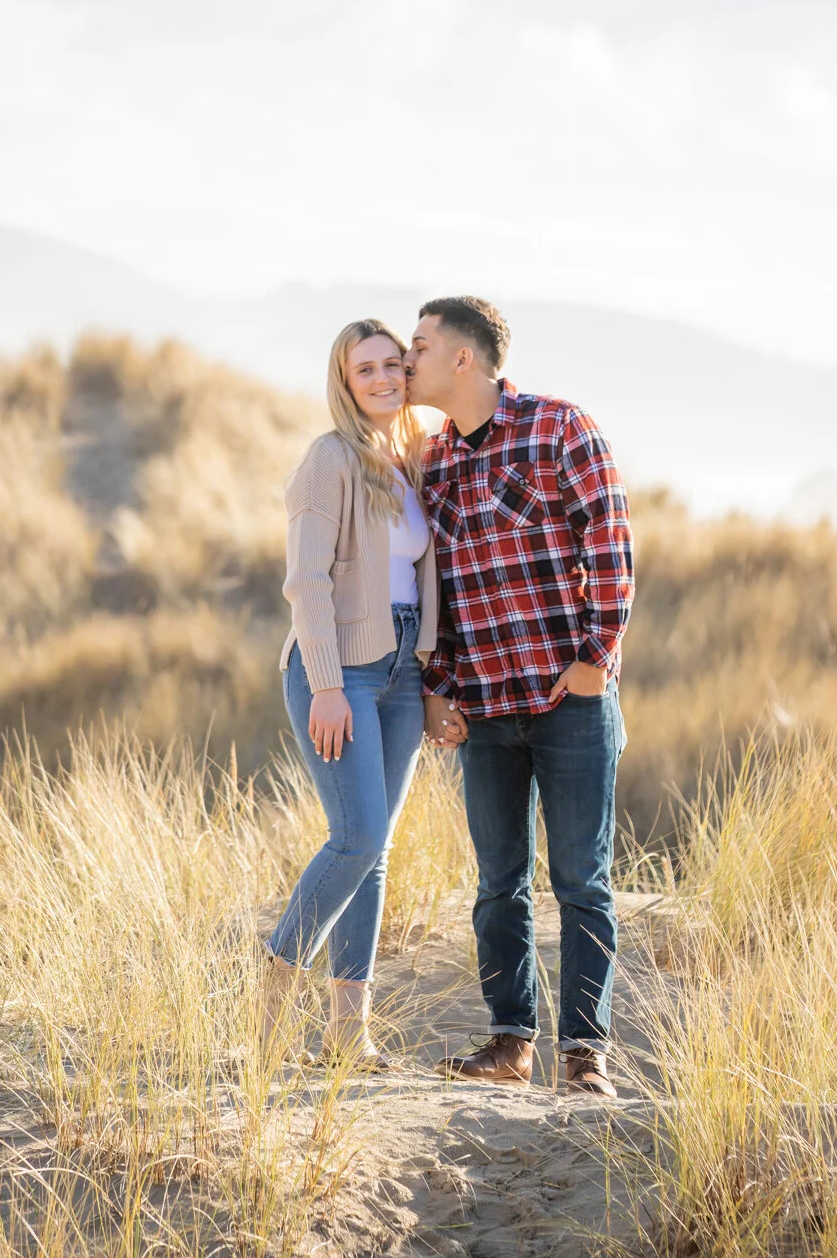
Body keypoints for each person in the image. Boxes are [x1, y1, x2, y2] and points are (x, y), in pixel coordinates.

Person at [406, 295, 634, 1098]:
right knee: (498, 882)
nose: (409, 360)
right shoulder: (433, 460)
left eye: (421, 346)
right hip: (484, 710)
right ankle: (510, 1042)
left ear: (463, 358)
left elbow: (609, 542)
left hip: (567, 702)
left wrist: (595, 659)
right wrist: (437, 689)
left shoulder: (559, 429)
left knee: (581, 881)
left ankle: (584, 1056)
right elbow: (431, 588)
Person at [262, 317, 438, 1067]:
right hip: (339, 668)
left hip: (402, 673)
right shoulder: (327, 460)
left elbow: (419, 574)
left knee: (378, 848)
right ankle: (271, 1001)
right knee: (356, 835)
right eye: (364, 368)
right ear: (343, 379)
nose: (381, 378)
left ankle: (347, 1031)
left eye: (393, 365)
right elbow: (306, 581)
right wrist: (328, 684)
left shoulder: (409, 461)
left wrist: (428, 670)